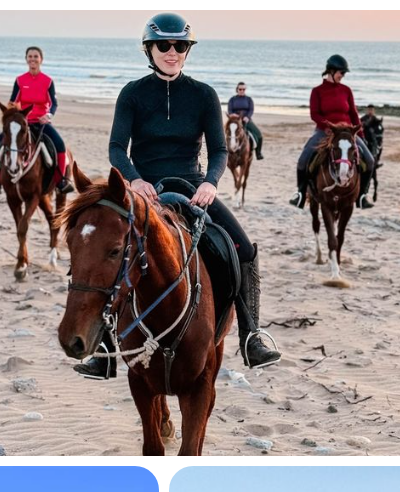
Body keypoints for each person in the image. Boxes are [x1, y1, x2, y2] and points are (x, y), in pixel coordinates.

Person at [74, 13, 280, 380]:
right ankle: (105, 348)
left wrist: (211, 183)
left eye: (180, 46)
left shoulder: (203, 95)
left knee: (243, 250)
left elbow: (218, 150)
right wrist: (135, 180)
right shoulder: (132, 94)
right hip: (144, 191)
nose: (172, 52)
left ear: (187, 50)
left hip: (192, 188)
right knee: (109, 251)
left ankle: (251, 335)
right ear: (149, 49)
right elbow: (117, 148)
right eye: (163, 45)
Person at [0, 45, 73, 195]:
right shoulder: (20, 80)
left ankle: (60, 181)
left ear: (41, 60)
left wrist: (48, 116)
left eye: (36, 56)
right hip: (21, 124)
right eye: (30, 56)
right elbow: (12, 102)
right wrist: (11, 114)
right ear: (26, 60)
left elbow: (54, 103)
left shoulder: (48, 81)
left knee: (60, 145)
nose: (33, 59)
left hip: (41, 123)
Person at [291, 55, 375, 209]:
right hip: (325, 131)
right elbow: (314, 114)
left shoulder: (346, 90)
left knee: (369, 160)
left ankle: (362, 195)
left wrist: (360, 134)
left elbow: (354, 114)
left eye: (343, 74)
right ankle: (301, 194)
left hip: (347, 133)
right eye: (341, 73)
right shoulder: (317, 91)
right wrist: (330, 127)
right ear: (331, 71)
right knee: (303, 159)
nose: (342, 76)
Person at [226, 82, 263, 159]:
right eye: (240, 89)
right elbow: (229, 110)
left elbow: (251, 110)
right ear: (237, 89)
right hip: (235, 121)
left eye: (244, 89)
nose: (242, 91)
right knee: (226, 133)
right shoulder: (232, 99)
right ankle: (225, 152)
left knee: (259, 135)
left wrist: (247, 117)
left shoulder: (249, 99)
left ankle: (258, 153)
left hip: (246, 120)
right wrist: (233, 115)